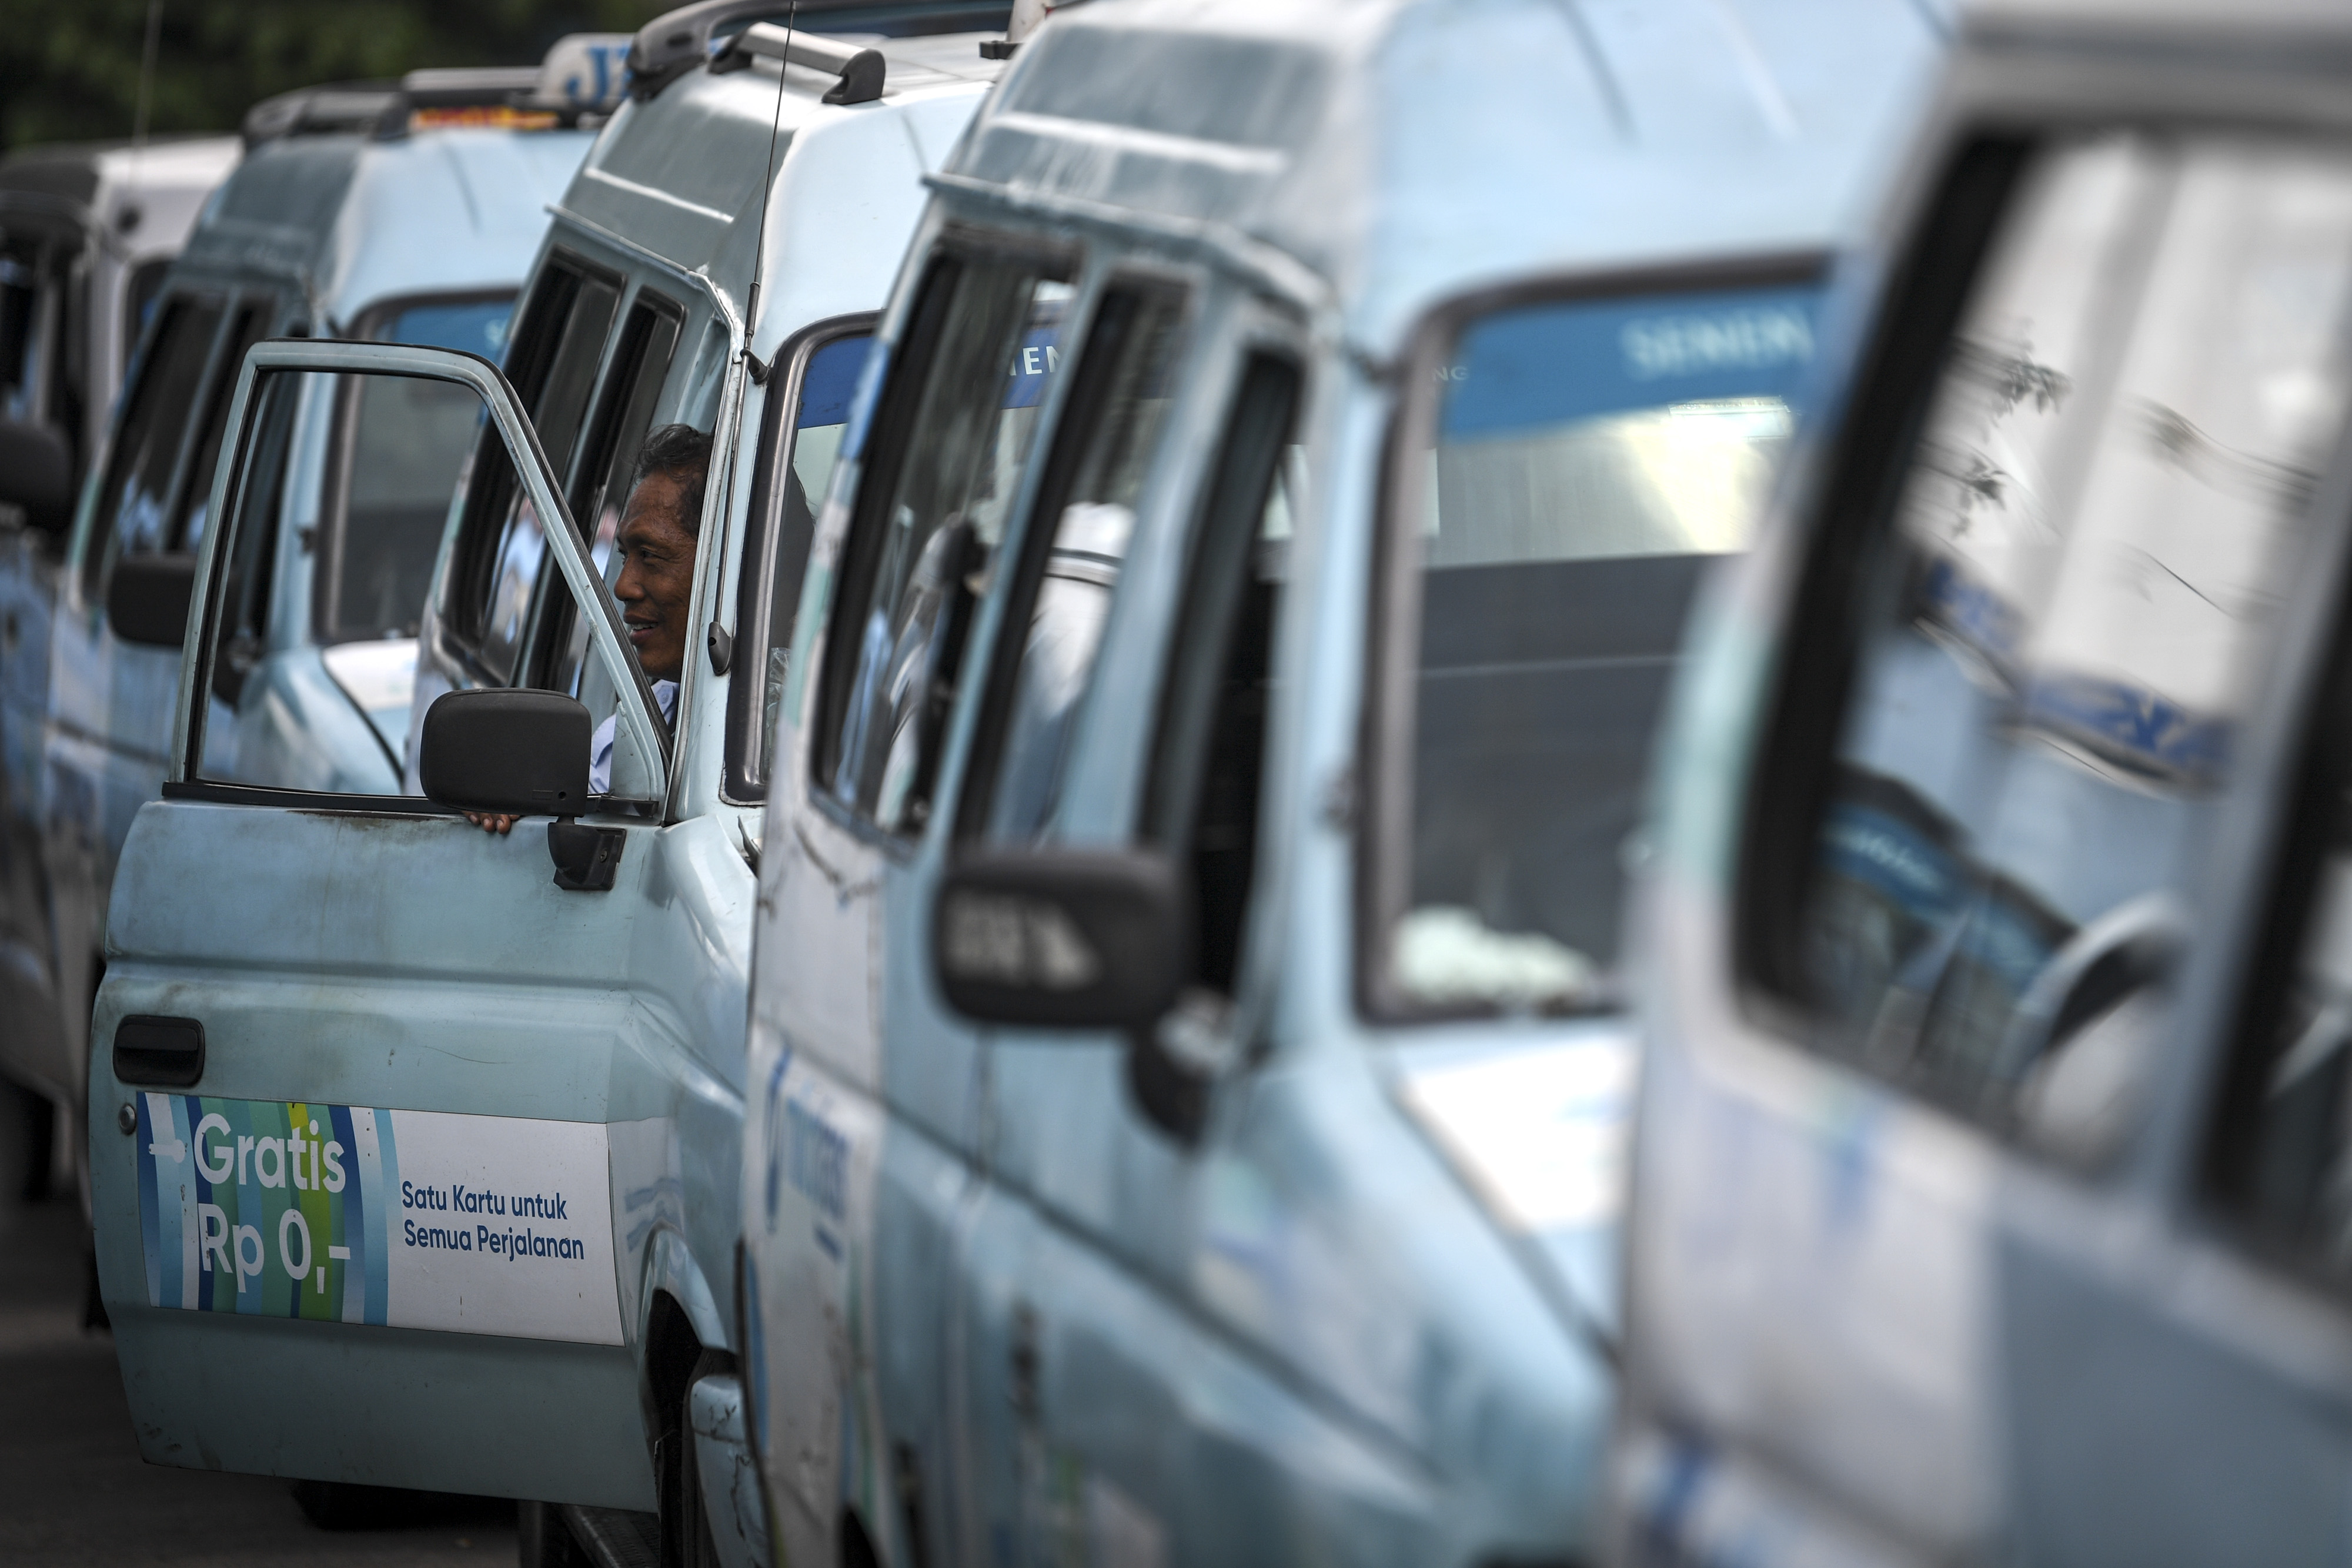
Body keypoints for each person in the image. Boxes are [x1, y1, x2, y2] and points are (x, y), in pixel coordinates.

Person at [466, 423, 709, 833]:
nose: (622, 586)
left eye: (650, 555)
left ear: (731, 567)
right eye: (625, 555)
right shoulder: (658, 713)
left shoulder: (816, 739)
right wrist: (515, 797)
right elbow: (574, 800)